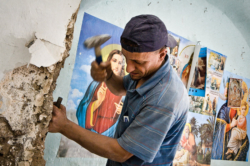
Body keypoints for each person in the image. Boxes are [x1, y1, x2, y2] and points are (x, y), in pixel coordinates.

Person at [49, 15, 189, 166]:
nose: (128, 68)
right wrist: (108, 74)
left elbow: (121, 152)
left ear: (162, 55)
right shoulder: (147, 73)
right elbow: (122, 88)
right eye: (127, 58)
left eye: (137, 62)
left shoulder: (165, 97)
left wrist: (65, 126)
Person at [76, 50, 125, 137]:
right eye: (114, 61)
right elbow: (81, 109)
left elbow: (131, 116)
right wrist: (98, 102)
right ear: (108, 63)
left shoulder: (124, 90)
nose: (117, 65)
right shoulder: (95, 85)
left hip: (112, 134)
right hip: (92, 132)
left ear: (122, 67)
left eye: (120, 63)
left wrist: (123, 111)